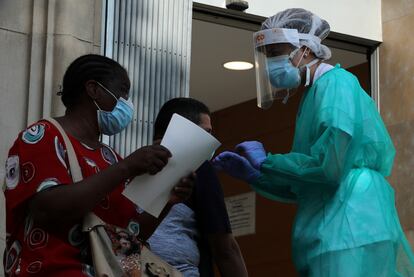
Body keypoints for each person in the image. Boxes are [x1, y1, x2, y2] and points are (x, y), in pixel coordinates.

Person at [213, 8, 414, 277]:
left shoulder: (336, 84)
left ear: (305, 49)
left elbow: (329, 167)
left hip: (353, 223)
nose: (271, 63)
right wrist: (258, 174)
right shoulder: (316, 93)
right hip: (338, 222)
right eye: (267, 56)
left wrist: (268, 162)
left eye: (276, 53)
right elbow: (309, 183)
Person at [3, 54, 194, 276]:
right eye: (123, 91)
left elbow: (129, 238)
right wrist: (127, 167)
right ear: (93, 89)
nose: (128, 103)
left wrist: (167, 200)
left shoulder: (111, 157)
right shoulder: (42, 136)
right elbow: (47, 209)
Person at [147, 98, 248, 277]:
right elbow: (225, 249)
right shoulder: (197, 165)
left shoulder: (130, 166)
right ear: (186, 130)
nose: (211, 141)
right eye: (206, 133)